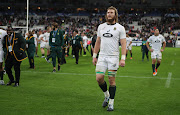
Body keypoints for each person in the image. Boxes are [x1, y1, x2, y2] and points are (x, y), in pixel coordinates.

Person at [92, 6, 126, 111]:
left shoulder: (120, 28)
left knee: (111, 80)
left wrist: (123, 58)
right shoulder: (101, 27)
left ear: (115, 15)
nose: (109, 14)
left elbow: (124, 43)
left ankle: (111, 103)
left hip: (113, 57)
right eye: (108, 12)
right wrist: (94, 55)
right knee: (99, 78)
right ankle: (106, 95)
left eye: (111, 12)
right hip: (102, 56)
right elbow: (98, 41)